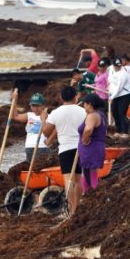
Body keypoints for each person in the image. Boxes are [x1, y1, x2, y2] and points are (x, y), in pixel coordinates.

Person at [44, 86, 86, 215]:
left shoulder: (56, 113)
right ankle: (77, 208)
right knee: (78, 180)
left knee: (69, 179)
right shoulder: (83, 111)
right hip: (80, 148)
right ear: (75, 97)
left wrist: (44, 120)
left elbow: (46, 132)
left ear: (61, 98)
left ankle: (72, 210)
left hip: (66, 148)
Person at [77, 93, 107, 193]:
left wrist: (84, 139)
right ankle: (89, 194)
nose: (83, 106)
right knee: (90, 172)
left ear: (89, 104)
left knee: (88, 173)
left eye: (84, 104)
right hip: (95, 148)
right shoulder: (100, 114)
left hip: (90, 149)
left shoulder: (92, 115)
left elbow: (89, 129)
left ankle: (92, 194)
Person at [10, 92, 50, 162]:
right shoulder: (29, 115)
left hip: (42, 147)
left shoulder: (49, 117)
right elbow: (15, 116)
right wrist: (15, 101)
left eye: (37, 106)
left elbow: (48, 132)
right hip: (29, 147)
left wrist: (43, 119)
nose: (35, 108)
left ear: (43, 106)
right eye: (33, 106)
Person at [109, 57, 130, 135]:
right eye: (115, 66)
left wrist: (111, 97)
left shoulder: (123, 74)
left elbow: (119, 88)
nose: (117, 67)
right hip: (115, 95)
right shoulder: (111, 69)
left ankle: (125, 132)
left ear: (121, 65)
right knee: (114, 112)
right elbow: (110, 79)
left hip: (124, 95)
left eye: (119, 66)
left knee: (122, 113)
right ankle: (118, 130)